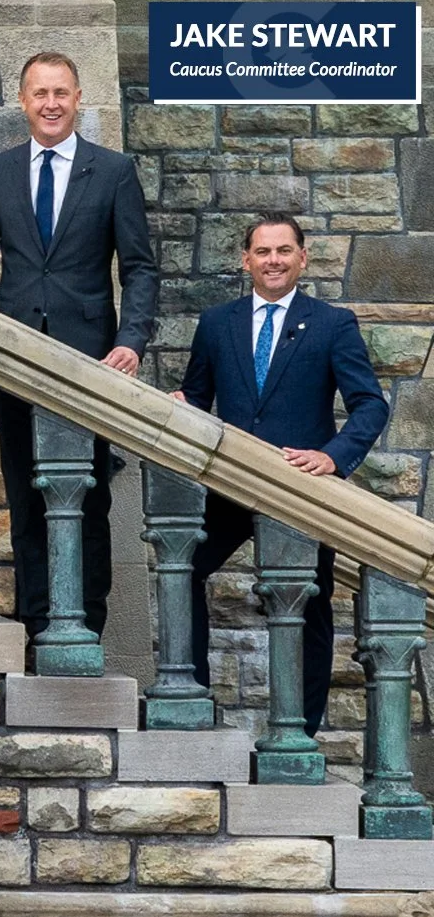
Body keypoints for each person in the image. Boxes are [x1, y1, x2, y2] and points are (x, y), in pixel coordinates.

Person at [0, 51, 156, 642]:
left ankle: (86, 625)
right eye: (39, 93)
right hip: (14, 359)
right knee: (25, 491)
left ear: (77, 98)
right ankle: (37, 624)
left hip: (88, 360)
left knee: (87, 496)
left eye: (61, 93)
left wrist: (131, 342)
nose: (50, 104)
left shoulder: (113, 171)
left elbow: (140, 267)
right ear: (23, 101)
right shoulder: (0, 171)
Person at [174, 214, 389, 735]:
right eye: (264, 251)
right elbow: (199, 396)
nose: (274, 260)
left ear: (302, 259)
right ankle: (190, 696)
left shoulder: (333, 323)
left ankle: (302, 730)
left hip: (298, 490)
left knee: (309, 603)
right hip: (230, 483)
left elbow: (370, 405)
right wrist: (184, 406)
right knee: (182, 570)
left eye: (284, 251)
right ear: (245, 260)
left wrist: (334, 457)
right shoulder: (216, 323)